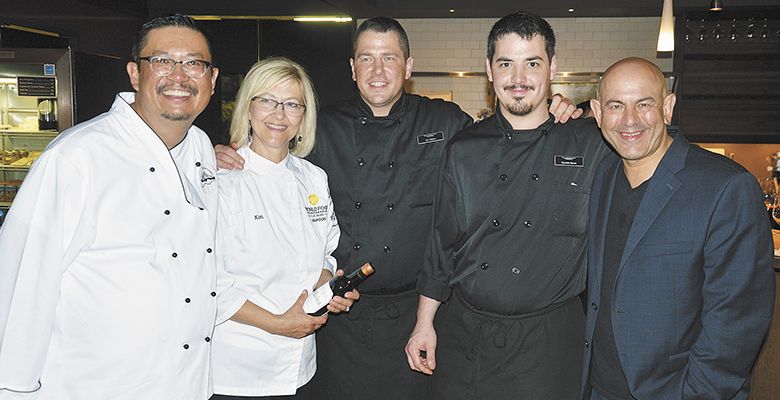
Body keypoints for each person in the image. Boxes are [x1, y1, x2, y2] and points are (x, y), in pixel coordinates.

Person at [215, 17, 580, 400]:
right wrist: (220, 152)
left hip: (416, 313)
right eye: (366, 59)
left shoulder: (444, 121)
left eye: (389, 58)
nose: (377, 71)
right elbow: (273, 152)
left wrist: (556, 110)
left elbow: (503, 136)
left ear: (408, 67)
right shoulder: (321, 127)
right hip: (341, 318)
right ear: (352, 67)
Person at [0, 14, 220, 399]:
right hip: (93, 385)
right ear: (135, 74)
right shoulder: (77, 157)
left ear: (212, 80)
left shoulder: (201, 147)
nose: (179, 75)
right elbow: (21, 283)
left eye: (194, 63)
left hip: (182, 382)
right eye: (163, 61)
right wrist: (14, 387)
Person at [405, 12, 612, 399]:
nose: (518, 78)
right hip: (467, 333)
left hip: (550, 340)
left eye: (532, 63)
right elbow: (441, 245)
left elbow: (648, 143)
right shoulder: (463, 149)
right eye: (506, 64)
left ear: (552, 67)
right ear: (489, 70)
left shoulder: (590, 142)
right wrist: (424, 323)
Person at [582, 57, 775, 400]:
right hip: (600, 389)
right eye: (616, 105)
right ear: (597, 113)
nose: (629, 120)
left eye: (644, 104)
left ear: (668, 107)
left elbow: (736, 323)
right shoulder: (603, 177)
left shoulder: (725, 187)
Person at [211, 57, 357, 400]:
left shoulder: (313, 178)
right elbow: (209, 283)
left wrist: (329, 288)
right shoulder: (220, 181)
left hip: (302, 365)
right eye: (267, 100)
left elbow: (326, 253)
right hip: (238, 370)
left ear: (304, 117)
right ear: (247, 107)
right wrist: (278, 324)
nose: (279, 114)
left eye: (292, 104)